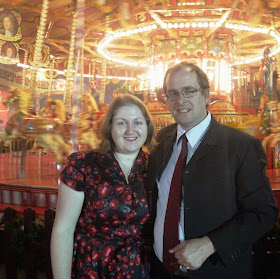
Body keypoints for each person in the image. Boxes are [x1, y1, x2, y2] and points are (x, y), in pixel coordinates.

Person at [145, 61, 278, 279]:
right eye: (173, 93)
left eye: (189, 91)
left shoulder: (241, 146)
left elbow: (263, 214)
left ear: (206, 95)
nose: (181, 100)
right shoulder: (162, 141)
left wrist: (210, 244)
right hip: (160, 269)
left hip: (215, 270)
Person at [51, 94, 155, 279]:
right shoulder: (83, 165)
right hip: (93, 267)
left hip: (138, 268)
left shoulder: (153, 167)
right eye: (122, 123)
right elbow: (63, 230)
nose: (131, 130)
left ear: (147, 127)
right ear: (109, 128)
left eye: (138, 122)